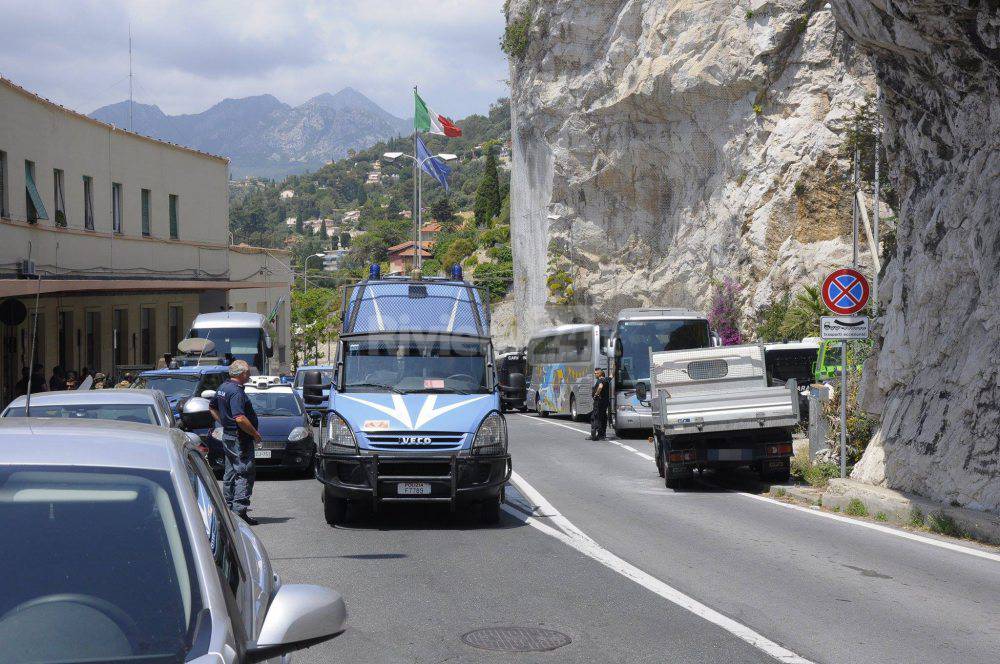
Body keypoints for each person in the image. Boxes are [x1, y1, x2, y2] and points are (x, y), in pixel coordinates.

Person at [209, 360, 262, 525]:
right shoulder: (236, 392)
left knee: (231, 472)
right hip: (240, 438)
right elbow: (240, 417)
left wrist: (225, 423)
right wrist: (255, 433)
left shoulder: (223, 387)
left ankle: (229, 508)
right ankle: (239, 512)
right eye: (248, 372)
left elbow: (212, 407)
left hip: (229, 436)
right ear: (242, 374)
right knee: (244, 472)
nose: (250, 375)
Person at [591, 367, 611, 441]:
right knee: (603, 418)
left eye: (596, 373)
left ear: (600, 374)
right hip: (605, 403)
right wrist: (615, 365)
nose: (595, 374)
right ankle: (602, 435)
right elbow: (612, 375)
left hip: (598, 403)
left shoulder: (600, 380)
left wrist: (596, 394)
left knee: (596, 417)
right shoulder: (606, 380)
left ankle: (596, 435)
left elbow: (600, 387)